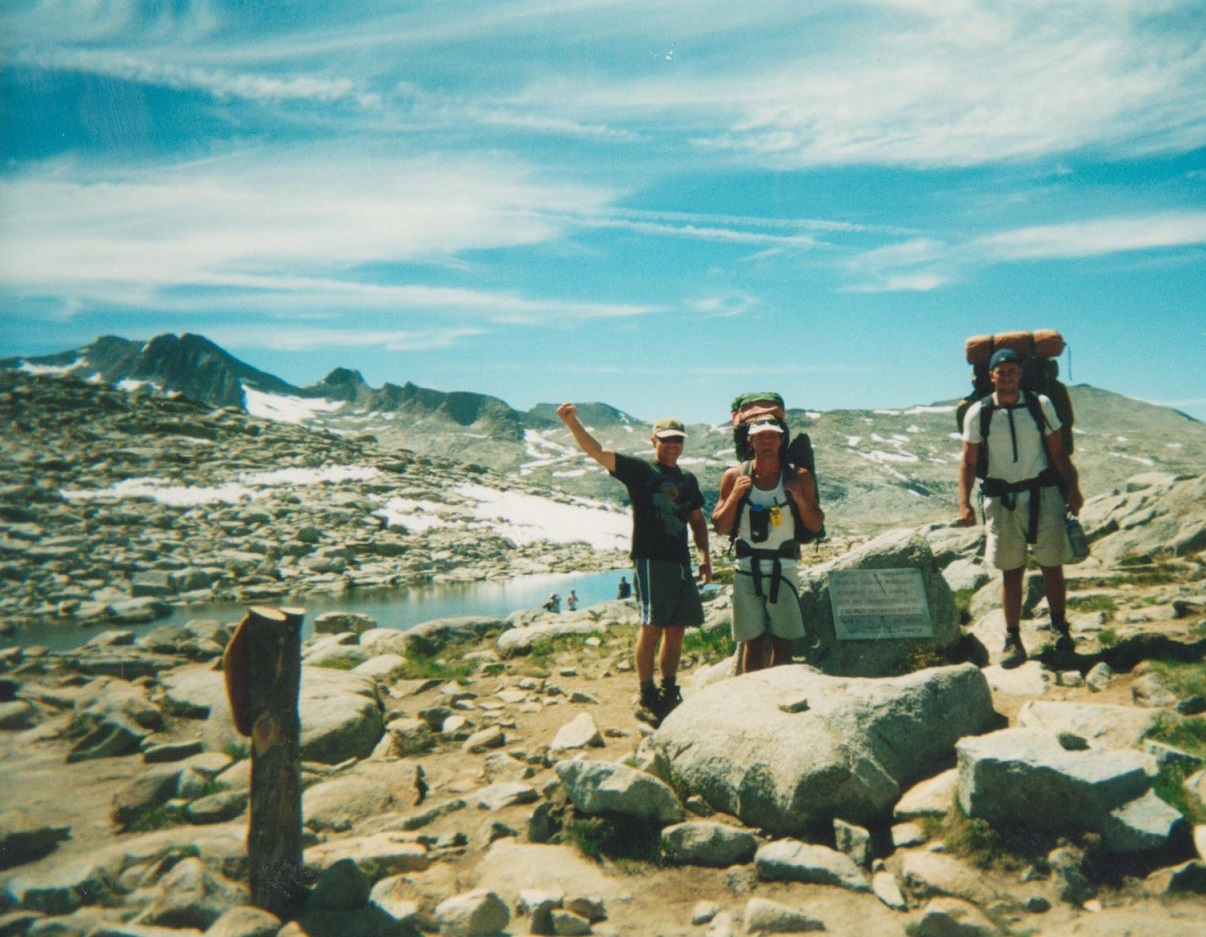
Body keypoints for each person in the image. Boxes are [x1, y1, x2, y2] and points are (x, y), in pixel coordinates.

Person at [557, 402, 712, 725]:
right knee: (652, 626)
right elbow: (597, 451)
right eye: (666, 440)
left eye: (678, 440)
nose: (672, 446)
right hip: (651, 559)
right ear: (653, 441)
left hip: (680, 562)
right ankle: (646, 692)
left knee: (677, 629)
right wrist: (573, 423)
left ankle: (669, 690)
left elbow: (697, 520)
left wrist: (704, 557)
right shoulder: (640, 471)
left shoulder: (688, 480)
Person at [958, 347, 1085, 668]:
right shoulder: (979, 412)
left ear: (1021, 374)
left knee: (1051, 565)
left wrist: (1072, 488)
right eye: (1001, 372)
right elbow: (969, 461)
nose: (1007, 377)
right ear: (991, 377)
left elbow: (1058, 453)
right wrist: (964, 502)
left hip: (1043, 493)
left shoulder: (1039, 405)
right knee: (1011, 572)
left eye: (1012, 371)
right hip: (1002, 500)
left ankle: (1059, 629)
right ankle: (1013, 639)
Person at [712, 416, 824, 672]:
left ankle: (779, 695)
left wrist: (799, 498)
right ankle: (754, 700)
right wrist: (735, 497)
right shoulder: (734, 477)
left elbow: (815, 523)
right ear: (750, 441)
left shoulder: (798, 477)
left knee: (782, 642)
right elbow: (720, 525)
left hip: (783, 567)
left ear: (781, 440)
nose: (766, 442)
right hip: (746, 568)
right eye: (760, 437)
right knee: (752, 642)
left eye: (772, 436)